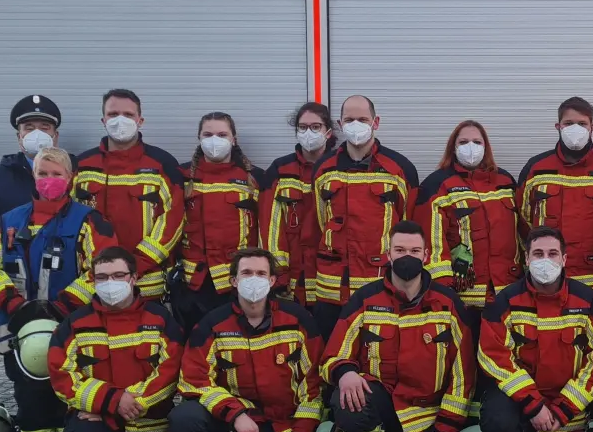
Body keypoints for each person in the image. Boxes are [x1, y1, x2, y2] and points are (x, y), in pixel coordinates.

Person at [0, 147, 118, 432]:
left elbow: (104, 265)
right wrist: (9, 302)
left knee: (71, 382)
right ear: (33, 177)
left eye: (57, 174)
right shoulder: (10, 220)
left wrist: (64, 304)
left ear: (71, 178)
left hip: (71, 321)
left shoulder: (88, 220)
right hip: (19, 324)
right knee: (26, 386)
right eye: (42, 173)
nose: (49, 180)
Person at [321, 220, 472, 432]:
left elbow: (463, 374)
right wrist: (346, 373)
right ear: (388, 254)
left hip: (424, 417)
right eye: (400, 249)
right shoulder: (365, 299)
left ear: (426, 255)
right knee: (348, 403)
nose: (407, 256)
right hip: (380, 405)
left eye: (414, 250)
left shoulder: (447, 303)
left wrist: (445, 430)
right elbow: (333, 355)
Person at [172, 248, 323, 432]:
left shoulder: (298, 320)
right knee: (185, 417)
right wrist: (236, 413)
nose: (254, 279)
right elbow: (193, 380)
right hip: (232, 422)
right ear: (233, 281)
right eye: (246, 273)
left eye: (261, 273)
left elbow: (313, 382)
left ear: (273, 280)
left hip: (282, 424)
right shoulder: (212, 325)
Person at [479, 226, 593, 432]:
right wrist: (533, 404)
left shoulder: (589, 302)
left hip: (565, 410)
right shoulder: (505, 301)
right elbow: (493, 355)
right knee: (496, 416)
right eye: (538, 254)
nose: (545, 260)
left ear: (564, 259)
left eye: (553, 254)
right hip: (521, 403)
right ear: (526, 259)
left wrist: (563, 409)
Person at [49, 246, 184, 432]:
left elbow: (171, 371)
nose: (110, 283)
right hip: (96, 423)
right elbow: (62, 376)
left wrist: (124, 404)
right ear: (93, 280)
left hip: (146, 425)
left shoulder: (160, 319)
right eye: (102, 277)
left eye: (118, 275)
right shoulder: (75, 323)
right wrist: (113, 400)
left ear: (133, 278)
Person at [310, 94, 419, 340]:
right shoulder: (324, 169)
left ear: (376, 122)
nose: (355, 125)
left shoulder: (400, 168)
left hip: (380, 281)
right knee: (331, 352)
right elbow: (318, 224)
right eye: (349, 119)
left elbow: (409, 227)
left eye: (362, 119)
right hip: (332, 287)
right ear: (339, 124)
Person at [72, 89, 185, 302]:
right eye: (113, 114)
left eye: (128, 114)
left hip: (147, 286)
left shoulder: (162, 163)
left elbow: (173, 220)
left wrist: (135, 265)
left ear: (140, 120)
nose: (120, 120)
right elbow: (70, 219)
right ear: (103, 120)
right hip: (91, 283)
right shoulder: (83, 165)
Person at [517, 97, 593, 305]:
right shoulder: (536, 168)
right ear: (558, 126)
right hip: (548, 283)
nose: (575, 129)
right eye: (568, 123)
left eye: (582, 124)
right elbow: (522, 223)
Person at [173, 112, 265, 333]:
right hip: (192, 284)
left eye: (222, 134)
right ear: (199, 138)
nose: (215, 140)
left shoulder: (254, 178)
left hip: (237, 284)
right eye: (208, 134)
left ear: (234, 139)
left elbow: (265, 230)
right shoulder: (182, 176)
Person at [417, 120, 522, 308]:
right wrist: (443, 292)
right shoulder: (437, 185)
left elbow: (522, 233)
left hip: (508, 293)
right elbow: (431, 247)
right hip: (464, 299)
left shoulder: (505, 181)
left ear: (486, 147)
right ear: (453, 147)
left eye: (477, 142)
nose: (471, 147)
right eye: (463, 142)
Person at [0, 94, 68, 254]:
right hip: (12, 274)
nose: (37, 134)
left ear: (55, 136)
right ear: (19, 137)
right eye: (29, 128)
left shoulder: (74, 174)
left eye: (44, 127)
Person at [262, 102, 336, 305]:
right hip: (293, 277)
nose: (308, 132)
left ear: (328, 132)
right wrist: (277, 272)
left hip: (330, 276)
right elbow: (271, 226)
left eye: (315, 127)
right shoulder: (280, 169)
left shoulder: (340, 168)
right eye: (302, 127)